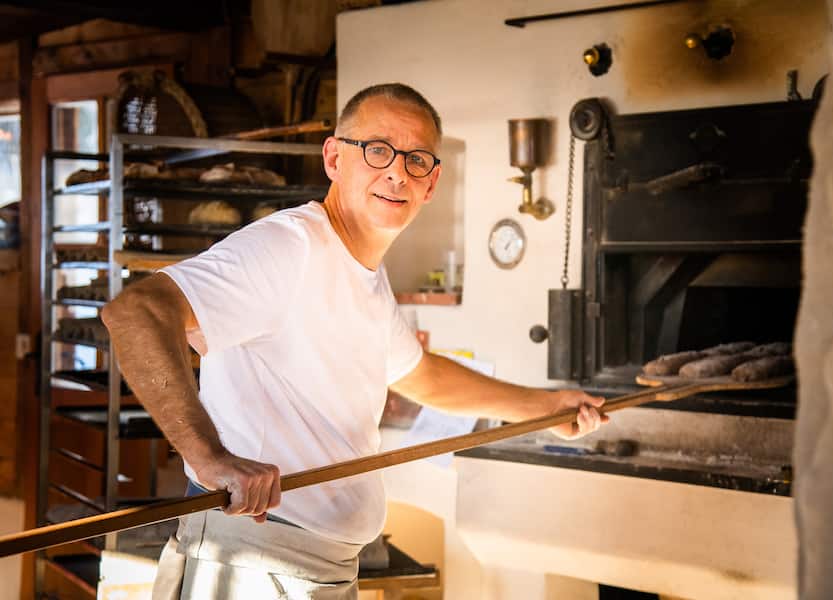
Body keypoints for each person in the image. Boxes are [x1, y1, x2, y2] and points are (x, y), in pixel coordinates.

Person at [101, 83, 607, 600]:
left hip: (316, 566)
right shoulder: (290, 246)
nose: (397, 172)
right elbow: (136, 313)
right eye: (377, 150)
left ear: (431, 183)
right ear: (334, 158)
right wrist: (208, 456)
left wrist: (543, 406)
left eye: (416, 159)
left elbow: (421, 375)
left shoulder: (364, 271)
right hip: (257, 559)